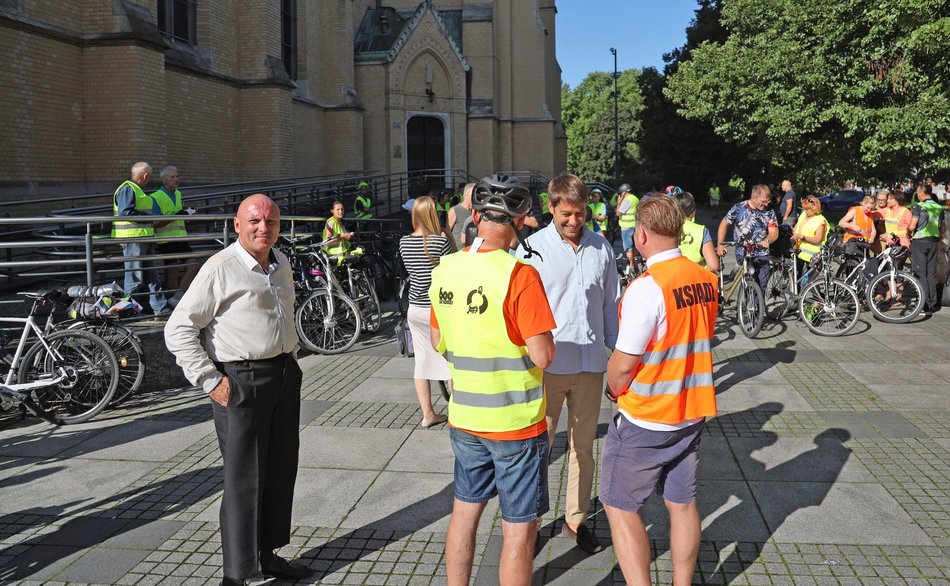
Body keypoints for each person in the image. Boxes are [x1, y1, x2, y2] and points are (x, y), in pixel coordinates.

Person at [164, 194, 311, 586]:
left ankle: (268, 554)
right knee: (244, 478)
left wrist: (292, 354)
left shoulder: (281, 261)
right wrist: (210, 380)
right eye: (255, 221)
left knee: (280, 469)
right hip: (242, 380)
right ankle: (237, 575)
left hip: (283, 373)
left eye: (271, 221)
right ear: (237, 225)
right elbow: (178, 329)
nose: (264, 228)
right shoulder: (220, 268)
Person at [430, 175, 556, 586]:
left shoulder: (446, 268)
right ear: (519, 222)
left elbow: (436, 340)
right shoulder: (519, 274)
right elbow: (543, 355)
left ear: (476, 216)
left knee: (464, 512)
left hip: (465, 417)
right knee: (519, 530)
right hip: (515, 422)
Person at [601, 195, 718, 586]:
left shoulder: (646, 288)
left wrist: (613, 390)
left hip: (647, 415)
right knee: (682, 504)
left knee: (619, 506)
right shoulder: (705, 279)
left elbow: (623, 365)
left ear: (641, 236)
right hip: (691, 410)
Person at [515, 174, 619, 555]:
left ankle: (575, 522)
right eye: (566, 214)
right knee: (536, 450)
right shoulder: (531, 250)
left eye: (580, 213)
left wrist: (618, 354)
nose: (574, 221)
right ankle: (530, 524)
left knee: (583, 449)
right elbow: (520, 310)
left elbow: (610, 304)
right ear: (551, 207)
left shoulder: (601, 248)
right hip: (546, 368)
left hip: (590, 365)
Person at [400, 196, 453, 428]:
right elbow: (452, 268)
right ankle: (458, 413)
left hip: (415, 307)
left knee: (421, 361)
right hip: (437, 308)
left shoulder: (403, 242)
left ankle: (428, 414)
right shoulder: (440, 242)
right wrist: (447, 235)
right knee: (450, 360)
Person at [112, 161, 170, 314]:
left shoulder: (133, 189)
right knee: (134, 278)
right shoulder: (128, 189)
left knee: (151, 275)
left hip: (141, 237)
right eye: (149, 177)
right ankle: (126, 311)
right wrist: (150, 219)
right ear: (145, 175)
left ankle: (160, 308)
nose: (149, 180)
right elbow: (126, 213)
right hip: (133, 239)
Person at [716, 184, 779, 291]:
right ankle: (746, 300)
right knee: (748, 283)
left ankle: (758, 302)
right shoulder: (738, 208)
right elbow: (724, 224)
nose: (766, 204)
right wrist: (720, 244)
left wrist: (767, 240)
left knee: (762, 285)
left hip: (762, 253)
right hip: (743, 253)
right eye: (763, 201)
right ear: (754, 198)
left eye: (768, 201)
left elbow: (774, 232)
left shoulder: (769, 212)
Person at [152, 165, 198, 307]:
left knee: (193, 264)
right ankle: (173, 299)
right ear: (164, 180)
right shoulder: (155, 197)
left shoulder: (178, 193)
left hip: (180, 237)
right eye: (173, 177)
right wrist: (178, 215)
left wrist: (186, 213)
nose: (176, 179)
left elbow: (177, 214)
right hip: (165, 239)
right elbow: (155, 223)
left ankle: (177, 295)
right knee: (172, 270)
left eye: (177, 176)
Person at [909, 184, 946, 313]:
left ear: (921, 193)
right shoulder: (939, 207)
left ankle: (924, 303)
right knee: (931, 273)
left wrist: (908, 230)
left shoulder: (919, 206)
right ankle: (933, 303)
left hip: (920, 241)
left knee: (920, 273)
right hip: (934, 241)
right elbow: (941, 227)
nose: (917, 195)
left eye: (917, 193)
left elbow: (912, 226)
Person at [673, 191, 720, 272]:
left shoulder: (666, 229)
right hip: (696, 276)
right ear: (693, 212)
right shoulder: (701, 230)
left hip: (674, 275)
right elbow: (713, 266)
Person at [791, 195, 830, 267]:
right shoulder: (803, 214)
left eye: (807, 209)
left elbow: (818, 239)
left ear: (814, 209)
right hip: (798, 252)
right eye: (804, 208)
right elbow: (796, 228)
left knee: (808, 274)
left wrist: (802, 237)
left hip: (812, 257)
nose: (804, 211)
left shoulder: (820, 221)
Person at [447, 183, 475, 248]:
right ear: (466, 195)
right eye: (473, 194)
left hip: (471, 252)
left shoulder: (476, 212)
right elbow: (445, 232)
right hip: (457, 251)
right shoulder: (454, 210)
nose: (475, 197)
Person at [616, 183, 639, 253]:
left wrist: (619, 203)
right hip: (635, 225)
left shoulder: (627, 200)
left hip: (627, 226)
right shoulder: (635, 198)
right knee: (634, 245)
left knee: (628, 247)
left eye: (620, 193)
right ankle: (635, 259)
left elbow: (618, 213)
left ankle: (630, 260)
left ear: (623, 193)